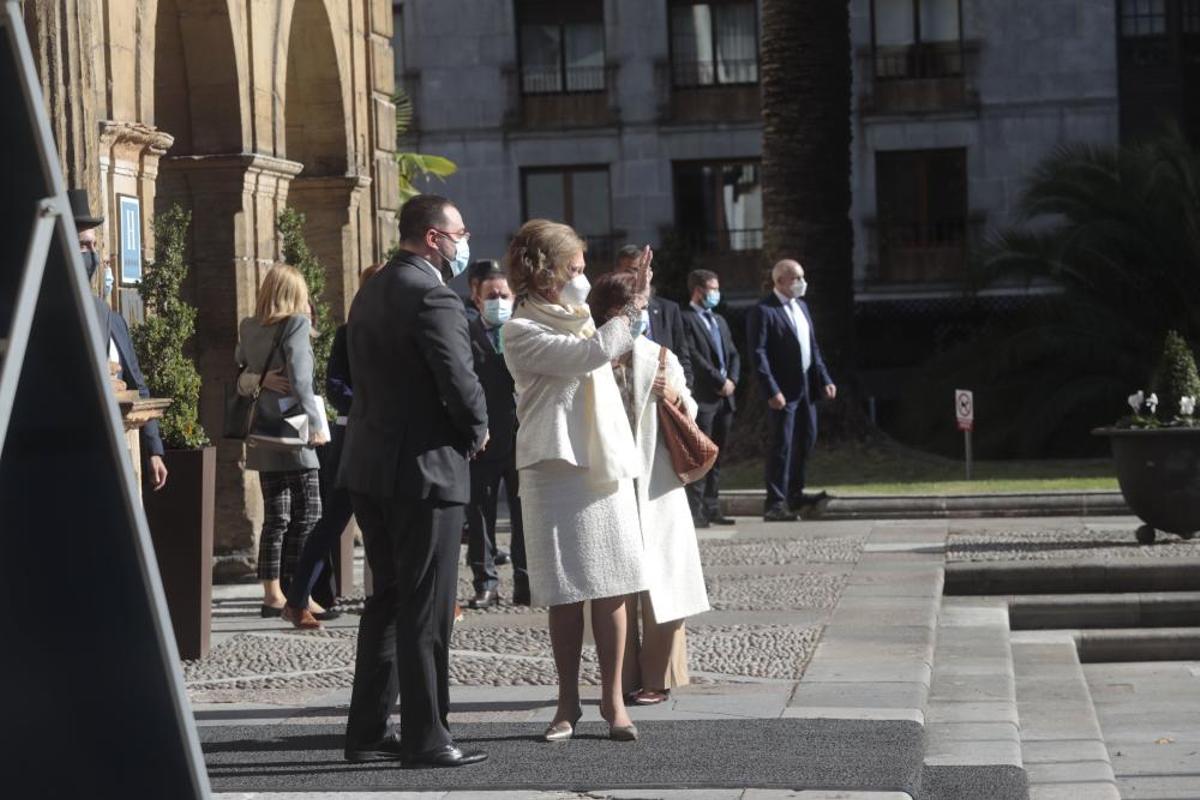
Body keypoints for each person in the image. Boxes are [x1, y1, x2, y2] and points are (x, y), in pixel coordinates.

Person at [339, 194, 489, 768]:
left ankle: (368, 731)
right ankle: (428, 736)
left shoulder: (372, 288)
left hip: (371, 467)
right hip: (425, 471)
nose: (463, 241)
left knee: (388, 600)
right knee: (426, 605)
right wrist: (477, 427)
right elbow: (459, 378)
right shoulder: (432, 295)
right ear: (432, 237)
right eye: (458, 232)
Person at [501, 220, 651, 743]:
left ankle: (614, 703)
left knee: (611, 585)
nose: (582, 279)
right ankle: (567, 702)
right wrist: (631, 310)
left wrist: (629, 309)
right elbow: (591, 355)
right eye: (575, 269)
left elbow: (612, 342)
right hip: (552, 467)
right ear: (546, 274)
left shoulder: (585, 317)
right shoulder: (520, 329)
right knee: (564, 589)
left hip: (602, 463)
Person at [588, 271, 710, 707]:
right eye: (632, 310)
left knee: (663, 579)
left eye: (642, 309)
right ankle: (620, 678)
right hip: (608, 482)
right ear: (609, 314)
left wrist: (674, 394)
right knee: (614, 584)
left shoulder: (660, 356)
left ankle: (657, 676)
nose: (642, 317)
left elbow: (690, 411)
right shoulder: (589, 358)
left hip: (656, 483)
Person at [277, 263, 385, 629]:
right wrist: (369, 407)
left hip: (392, 437)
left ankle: (415, 597)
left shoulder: (404, 332)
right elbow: (336, 386)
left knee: (398, 522)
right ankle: (296, 599)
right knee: (332, 521)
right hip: (353, 437)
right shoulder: (348, 334)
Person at [236, 265, 330, 614]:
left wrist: (260, 378)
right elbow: (302, 381)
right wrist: (317, 425)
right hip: (295, 430)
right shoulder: (297, 324)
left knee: (276, 516)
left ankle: (272, 593)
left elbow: (239, 369)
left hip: (262, 430)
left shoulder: (248, 326)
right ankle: (298, 592)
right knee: (310, 512)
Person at [71, 188, 168, 492]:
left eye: (94, 245)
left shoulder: (108, 315)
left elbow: (138, 383)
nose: (93, 254)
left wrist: (154, 449)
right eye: (84, 246)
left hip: (118, 452)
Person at [746, 259, 836, 522]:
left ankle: (794, 494)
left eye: (802, 277)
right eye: (796, 278)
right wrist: (771, 389)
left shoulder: (802, 307)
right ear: (780, 281)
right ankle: (775, 503)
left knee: (805, 440)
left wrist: (825, 379)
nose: (801, 282)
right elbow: (758, 354)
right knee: (781, 445)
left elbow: (813, 349)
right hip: (782, 391)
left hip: (806, 388)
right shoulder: (764, 311)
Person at [465, 262, 528, 608]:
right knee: (480, 515)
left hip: (522, 436)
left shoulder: (522, 332)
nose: (499, 301)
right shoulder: (466, 334)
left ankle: (525, 579)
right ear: (477, 299)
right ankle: (485, 582)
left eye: (504, 295)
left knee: (523, 514)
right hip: (484, 438)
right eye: (492, 296)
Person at [681, 269, 740, 528]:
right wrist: (719, 381)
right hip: (705, 398)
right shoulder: (686, 319)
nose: (715, 293)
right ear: (698, 290)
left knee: (719, 455)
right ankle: (696, 510)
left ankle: (713, 505)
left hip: (726, 399)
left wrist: (733, 382)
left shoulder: (719, 320)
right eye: (711, 289)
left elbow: (733, 353)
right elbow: (693, 355)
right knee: (700, 455)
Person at [614, 244, 693, 388]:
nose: (638, 276)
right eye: (631, 270)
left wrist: (685, 393)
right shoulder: (612, 309)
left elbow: (682, 355)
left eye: (643, 270)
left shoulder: (668, 310)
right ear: (617, 272)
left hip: (667, 394)